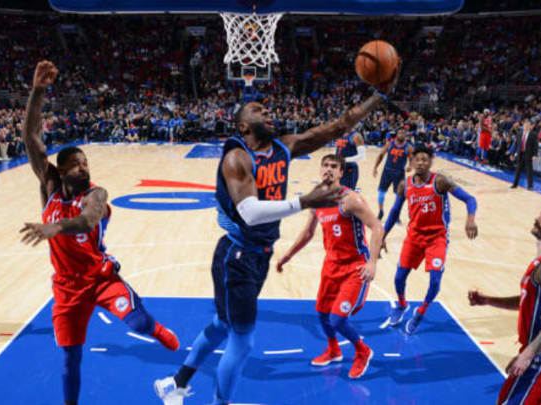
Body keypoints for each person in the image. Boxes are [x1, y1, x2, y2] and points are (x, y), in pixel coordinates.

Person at [155, 70, 400, 405]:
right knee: (243, 341)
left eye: (268, 109)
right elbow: (250, 212)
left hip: (257, 255)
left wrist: (378, 97)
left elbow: (338, 125)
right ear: (243, 126)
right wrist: (305, 201)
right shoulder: (236, 157)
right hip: (237, 256)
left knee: (222, 324)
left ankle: (176, 384)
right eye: (258, 110)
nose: (267, 112)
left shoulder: (285, 147)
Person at [18, 61, 179, 405]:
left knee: (136, 324)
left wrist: (54, 227)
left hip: (100, 277)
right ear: (61, 170)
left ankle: (158, 329)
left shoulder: (96, 194)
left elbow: (89, 221)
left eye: (86, 163)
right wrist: (38, 91)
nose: (84, 167)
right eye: (77, 164)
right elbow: (31, 138)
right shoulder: (49, 186)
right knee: (70, 358)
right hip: (65, 286)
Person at [276, 154, 383, 377]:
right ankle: (334, 350)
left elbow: (377, 227)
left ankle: (362, 351)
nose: (328, 170)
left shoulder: (351, 199)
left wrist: (372, 262)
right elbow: (308, 233)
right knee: (322, 314)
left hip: (355, 267)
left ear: (341, 173)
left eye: (334, 166)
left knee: (337, 318)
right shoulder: (318, 200)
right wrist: (287, 256)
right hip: (331, 266)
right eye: (325, 165)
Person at [468, 200, 541, 405]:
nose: (538, 218)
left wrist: (528, 354)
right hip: (537, 350)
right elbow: (528, 300)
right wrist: (488, 300)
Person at [382, 144, 478, 334]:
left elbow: (470, 199)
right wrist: (382, 235)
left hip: (437, 238)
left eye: (425, 159)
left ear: (431, 162)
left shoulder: (440, 181)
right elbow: (394, 212)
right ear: (412, 162)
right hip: (414, 237)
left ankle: (420, 312)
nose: (421, 163)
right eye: (417, 159)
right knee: (399, 277)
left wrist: (470, 219)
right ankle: (402, 305)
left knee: (434, 281)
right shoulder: (405, 184)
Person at [373, 127, 412, 220]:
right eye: (400, 132)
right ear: (397, 134)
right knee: (381, 192)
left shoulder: (408, 147)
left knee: (399, 194)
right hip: (387, 170)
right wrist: (375, 167)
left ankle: (396, 213)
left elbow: (412, 159)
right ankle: (381, 211)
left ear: (405, 135)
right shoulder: (390, 144)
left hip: (399, 172)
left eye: (403, 133)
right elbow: (381, 155)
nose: (401, 134)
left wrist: (410, 166)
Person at [511, 119, 538, 190]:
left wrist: (535, 155)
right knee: (518, 170)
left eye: (528, 125)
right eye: (525, 125)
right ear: (523, 126)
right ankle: (515, 184)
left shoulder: (533, 134)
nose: (526, 126)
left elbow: (536, 145)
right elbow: (516, 144)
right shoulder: (519, 133)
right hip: (520, 153)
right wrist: (512, 153)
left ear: (530, 126)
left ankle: (530, 186)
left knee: (529, 171)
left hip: (528, 154)